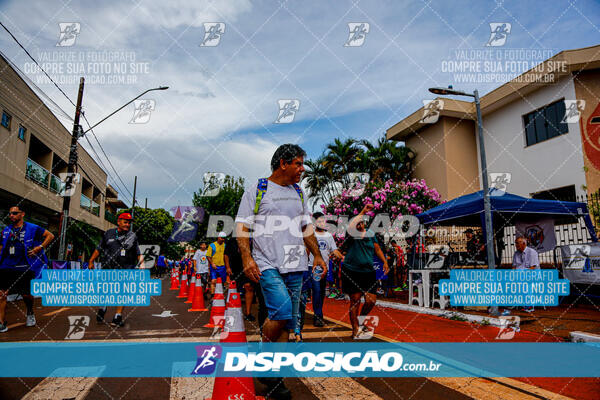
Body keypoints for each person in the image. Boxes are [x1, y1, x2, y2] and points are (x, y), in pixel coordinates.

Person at [236, 144, 326, 399]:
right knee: (283, 310)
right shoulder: (258, 189)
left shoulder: (298, 192)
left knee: (287, 320)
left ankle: (274, 377)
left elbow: (305, 227)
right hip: (267, 263)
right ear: (283, 164)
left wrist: (317, 254)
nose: (302, 169)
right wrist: (247, 258)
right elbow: (242, 226)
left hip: (296, 265)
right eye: (298, 164)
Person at [0, 205, 54, 332]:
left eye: (14, 213)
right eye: (10, 213)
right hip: (6, 266)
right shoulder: (6, 230)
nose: (11, 215)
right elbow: (1, 247)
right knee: (2, 294)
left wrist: (39, 247)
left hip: (24, 266)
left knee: (26, 294)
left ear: (22, 214)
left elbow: (50, 236)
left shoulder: (32, 228)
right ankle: (2, 322)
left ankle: (30, 312)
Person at [341, 204, 389, 339]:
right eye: (357, 222)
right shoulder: (351, 234)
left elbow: (377, 249)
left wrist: (384, 261)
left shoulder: (370, 234)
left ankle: (361, 319)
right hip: (352, 270)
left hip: (368, 272)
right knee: (355, 300)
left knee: (371, 301)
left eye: (362, 222)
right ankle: (355, 328)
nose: (360, 224)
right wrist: (363, 210)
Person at [88, 212, 142, 327]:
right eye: (125, 222)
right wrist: (91, 261)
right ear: (119, 222)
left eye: (129, 223)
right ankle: (103, 307)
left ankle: (117, 316)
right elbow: (99, 248)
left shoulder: (132, 237)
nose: (127, 225)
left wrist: (142, 265)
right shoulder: (108, 233)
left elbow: (138, 253)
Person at [295, 212, 343, 339]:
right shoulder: (311, 235)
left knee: (321, 292)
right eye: (320, 221)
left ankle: (318, 313)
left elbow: (334, 250)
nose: (322, 223)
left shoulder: (328, 236)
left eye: (323, 221)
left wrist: (341, 256)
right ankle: (318, 316)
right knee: (315, 291)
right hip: (312, 267)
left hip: (324, 268)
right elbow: (305, 249)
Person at [224, 236, 256, 321]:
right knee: (235, 290)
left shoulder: (251, 240)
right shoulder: (232, 240)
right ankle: (233, 312)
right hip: (235, 268)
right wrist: (227, 267)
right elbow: (226, 255)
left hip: (247, 267)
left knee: (249, 287)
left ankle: (248, 313)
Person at [511, 236, 540, 313]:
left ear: (524, 244)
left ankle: (529, 306)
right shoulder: (516, 253)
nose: (516, 245)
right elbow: (514, 267)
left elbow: (532, 267)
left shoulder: (532, 252)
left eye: (518, 243)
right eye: (516, 243)